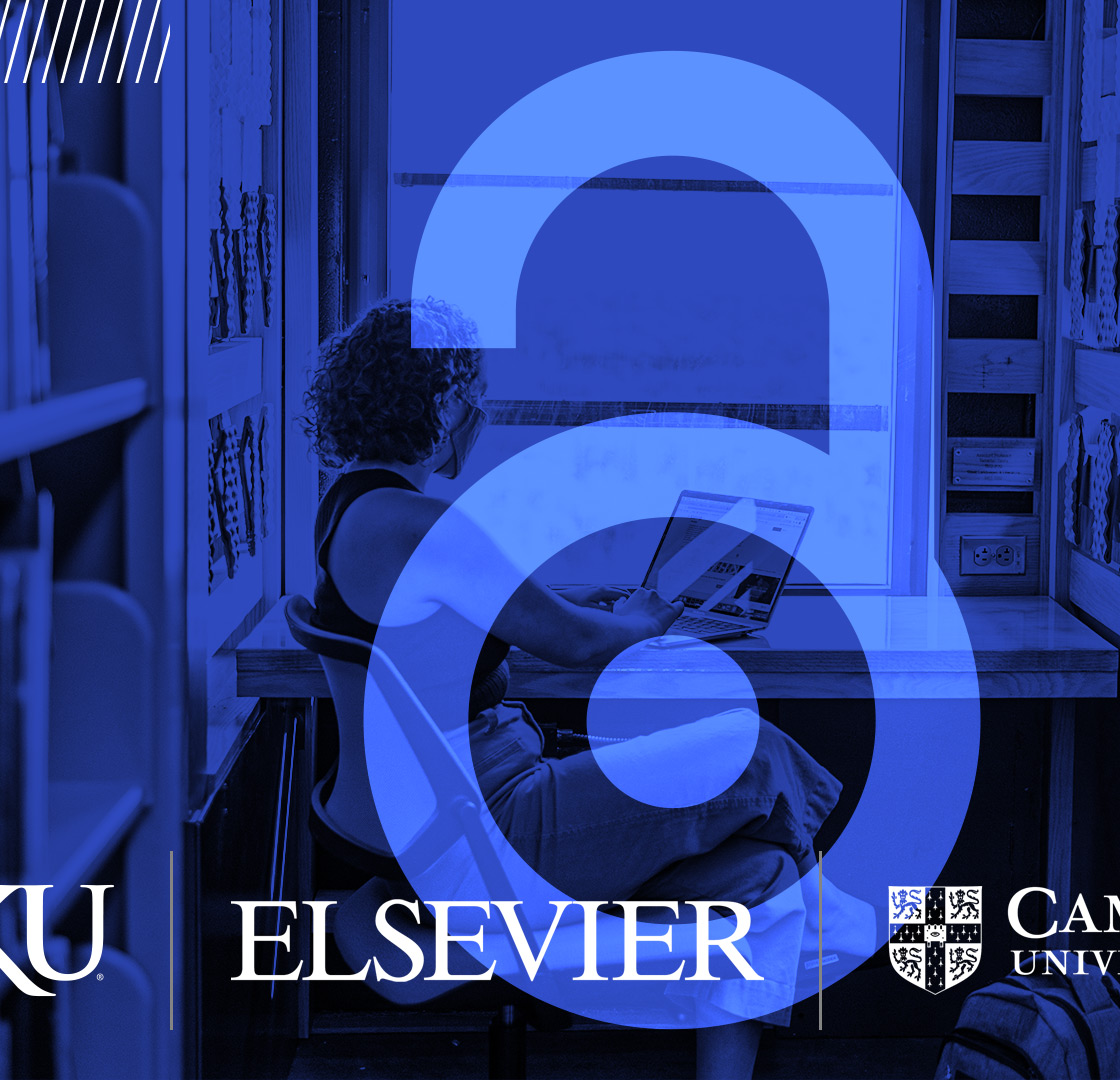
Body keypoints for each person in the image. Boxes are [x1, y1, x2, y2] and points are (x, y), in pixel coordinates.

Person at [301, 297, 867, 1079]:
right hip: (493, 823)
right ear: (439, 404)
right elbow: (579, 645)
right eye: (475, 400)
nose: (480, 418)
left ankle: (801, 910)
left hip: (443, 815)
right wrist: (646, 613)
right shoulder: (422, 523)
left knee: (762, 882)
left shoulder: (351, 510)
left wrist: (586, 606)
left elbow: (486, 613)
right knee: (753, 750)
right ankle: (831, 917)